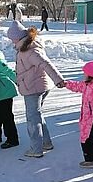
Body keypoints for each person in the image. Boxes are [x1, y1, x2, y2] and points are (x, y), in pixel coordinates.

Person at [8, 20, 65, 159]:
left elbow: (45, 64)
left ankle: (36, 149)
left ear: (18, 37)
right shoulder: (25, 47)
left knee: (32, 118)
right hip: (35, 85)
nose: (11, 42)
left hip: (34, 88)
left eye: (12, 39)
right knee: (37, 114)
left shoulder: (30, 50)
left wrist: (58, 79)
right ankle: (46, 143)